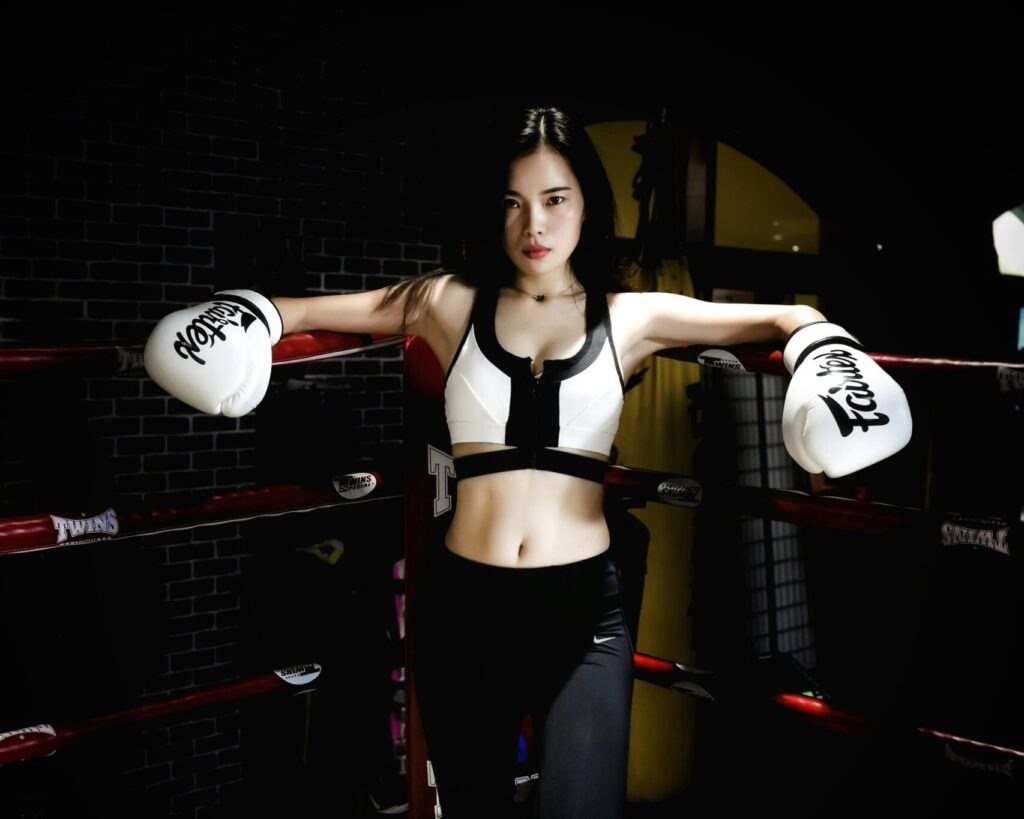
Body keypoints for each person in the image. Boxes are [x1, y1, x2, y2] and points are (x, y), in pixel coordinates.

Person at [144, 105, 913, 817]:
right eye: (514, 201)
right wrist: (244, 316)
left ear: (586, 204)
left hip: (585, 616)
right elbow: (303, 310)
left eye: (555, 198)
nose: (534, 223)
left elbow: (786, 315)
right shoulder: (447, 302)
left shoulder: (632, 315)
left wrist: (822, 351)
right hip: (464, 607)